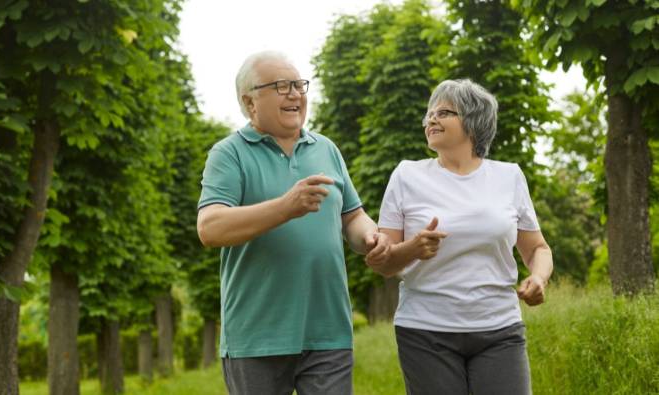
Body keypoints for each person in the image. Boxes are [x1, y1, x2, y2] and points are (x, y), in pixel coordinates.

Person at [196, 51, 389, 395]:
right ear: (250, 101)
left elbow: (353, 217)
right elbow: (210, 228)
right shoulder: (229, 154)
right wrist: (285, 207)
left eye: (299, 85)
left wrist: (372, 236)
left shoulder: (326, 149)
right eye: (281, 86)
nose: (295, 94)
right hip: (256, 337)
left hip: (328, 331)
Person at [366, 79, 553, 395]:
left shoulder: (509, 177)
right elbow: (383, 264)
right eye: (430, 113)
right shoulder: (406, 175)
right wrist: (412, 248)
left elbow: (538, 248)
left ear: (473, 123)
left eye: (445, 112)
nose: (431, 119)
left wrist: (539, 278)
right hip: (425, 331)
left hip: (499, 327)